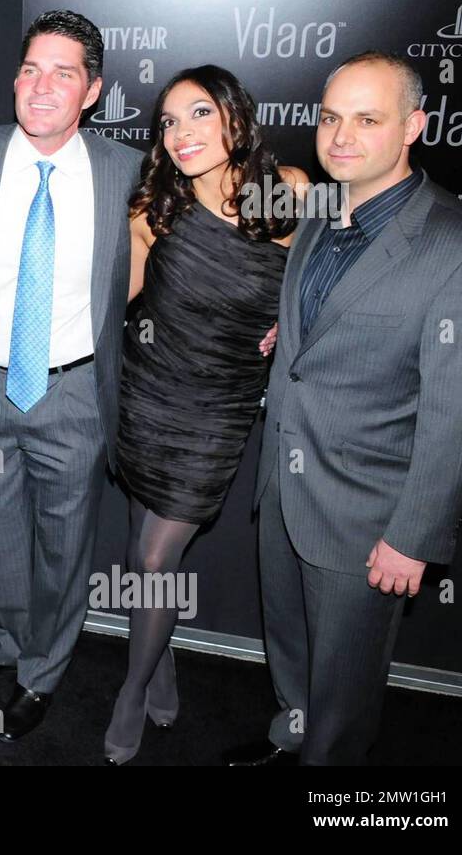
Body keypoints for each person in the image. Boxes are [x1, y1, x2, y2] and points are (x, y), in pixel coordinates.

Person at [225, 52, 462, 766]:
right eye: (330, 117)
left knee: (344, 691)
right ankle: (292, 737)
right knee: (289, 651)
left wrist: (415, 534)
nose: (341, 135)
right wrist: (297, 335)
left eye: (367, 118)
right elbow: (337, 329)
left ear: (414, 125)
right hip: (284, 486)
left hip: (366, 518)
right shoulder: (320, 210)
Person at [0, 9, 141, 741]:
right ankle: (9, 640)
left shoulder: (129, 173)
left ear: (92, 91)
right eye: (29, 69)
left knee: (63, 543)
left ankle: (43, 669)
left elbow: (214, 229)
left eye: (62, 72)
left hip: (77, 393)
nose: (41, 85)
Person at [104, 65, 304, 764]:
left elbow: (330, 281)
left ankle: (131, 689)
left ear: (233, 116)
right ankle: (160, 662)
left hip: (219, 409)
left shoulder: (292, 194)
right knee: (141, 546)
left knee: (157, 555)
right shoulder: (153, 209)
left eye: (197, 114)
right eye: (167, 122)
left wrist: (292, 326)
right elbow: (113, 305)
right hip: (148, 392)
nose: (181, 133)